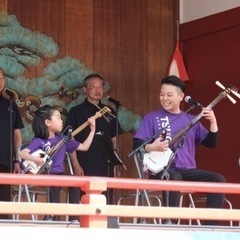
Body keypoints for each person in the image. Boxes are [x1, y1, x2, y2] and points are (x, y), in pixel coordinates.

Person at [133, 75, 226, 225]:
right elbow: (136, 146)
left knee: (218, 179)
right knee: (174, 176)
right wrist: (152, 147)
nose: (164, 98)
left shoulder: (190, 119)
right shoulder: (152, 118)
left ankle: (211, 228)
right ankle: (170, 223)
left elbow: (211, 143)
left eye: (169, 95)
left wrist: (213, 121)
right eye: (162, 94)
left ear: (181, 96)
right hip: (161, 171)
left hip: (187, 170)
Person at [19, 105, 96, 220]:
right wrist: (36, 159)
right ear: (48, 122)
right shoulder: (39, 141)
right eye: (58, 118)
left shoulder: (62, 140)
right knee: (54, 182)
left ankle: (74, 218)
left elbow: (84, 147)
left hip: (58, 173)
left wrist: (92, 130)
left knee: (74, 182)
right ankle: (54, 217)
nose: (61, 121)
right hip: (45, 175)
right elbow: (22, 153)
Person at [65, 73, 123, 217]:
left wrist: (116, 163)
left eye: (100, 87)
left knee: (105, 197)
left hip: (106, 161)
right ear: (85, 89)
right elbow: (69, 141)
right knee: (83, 196)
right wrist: (75, 165)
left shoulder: (110, 112)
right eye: (93, 87)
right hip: (84, 160)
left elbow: (114, 140)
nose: (97, 90)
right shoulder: (76, 111)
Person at [0, 68, 24, 219]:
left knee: (3, 203)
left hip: (5, 161)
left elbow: (17, 136)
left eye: (2, 77)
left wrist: (17, 160)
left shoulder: (10, 104)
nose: (0, 81)